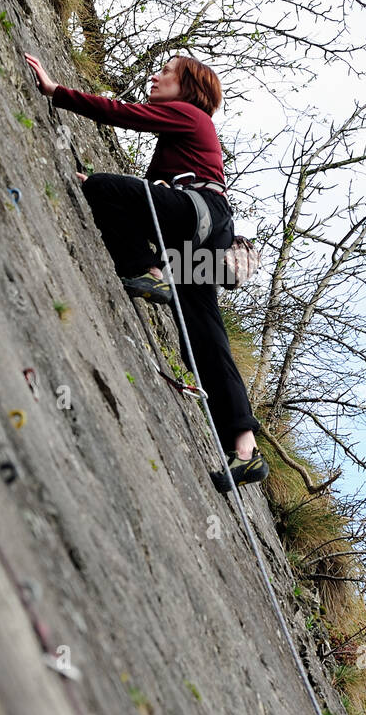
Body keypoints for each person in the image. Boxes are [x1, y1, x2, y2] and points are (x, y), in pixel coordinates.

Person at [24, 51, 269, 493]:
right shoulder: (186, 138)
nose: (155, 77)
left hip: (197, 217)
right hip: (204, 233)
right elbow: (146, 202)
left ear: (188, 86)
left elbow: (125, 115)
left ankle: (145, 272)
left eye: (167, 73)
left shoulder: (188, 115)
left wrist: (56, 91)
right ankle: (246, 449)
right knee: (203, 338)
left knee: (104, 187)